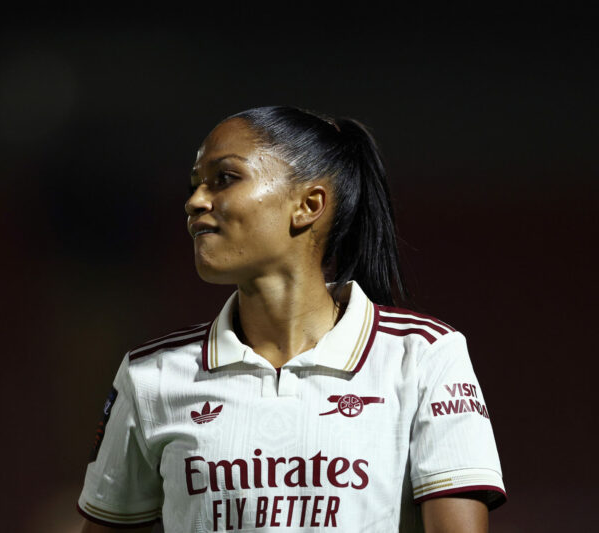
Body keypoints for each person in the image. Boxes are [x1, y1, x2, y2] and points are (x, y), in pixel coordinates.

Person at [77, 106, 506, 532]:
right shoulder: (150, 376)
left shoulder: (425, 357)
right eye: (194, 185)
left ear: (308, 204)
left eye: (224, 178)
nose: (195, 201)